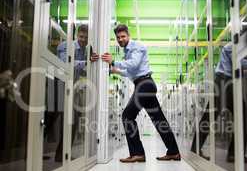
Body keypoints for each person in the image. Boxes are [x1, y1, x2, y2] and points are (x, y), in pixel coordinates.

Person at [101, 24, 180, 163]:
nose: (120, 39)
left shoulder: (137, 46)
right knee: (159, 120)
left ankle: (137, 153)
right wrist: (116, 70)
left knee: (127, 116)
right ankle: (173, 152)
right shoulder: (127, 51)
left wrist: (114, 61)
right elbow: (131, 71)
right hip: (143, 84)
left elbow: (134, 64)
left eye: (123, 36)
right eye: (118, 37)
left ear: (128, 36)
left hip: (145, 85)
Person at [192, 43, 247, 162]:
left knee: (212, 117)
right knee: (238, 117)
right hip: (225, 82)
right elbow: (237, 61)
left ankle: (231, 154)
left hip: (224, 82)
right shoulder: (232, 45)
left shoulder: (236, 44)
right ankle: (233, 154)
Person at [54, 25, 99, 162]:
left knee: (72, 121)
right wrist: (87, 62)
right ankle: (34, 151)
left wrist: (95, 67)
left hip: (72, 87)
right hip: (57, 84)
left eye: (86, 38)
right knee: (50, 118)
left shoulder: (85, 50)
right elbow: (65, 63)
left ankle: (61, 153)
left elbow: (81, 70)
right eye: (81, 37)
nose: (83, 40)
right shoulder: (66, 45)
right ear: (76, 35)